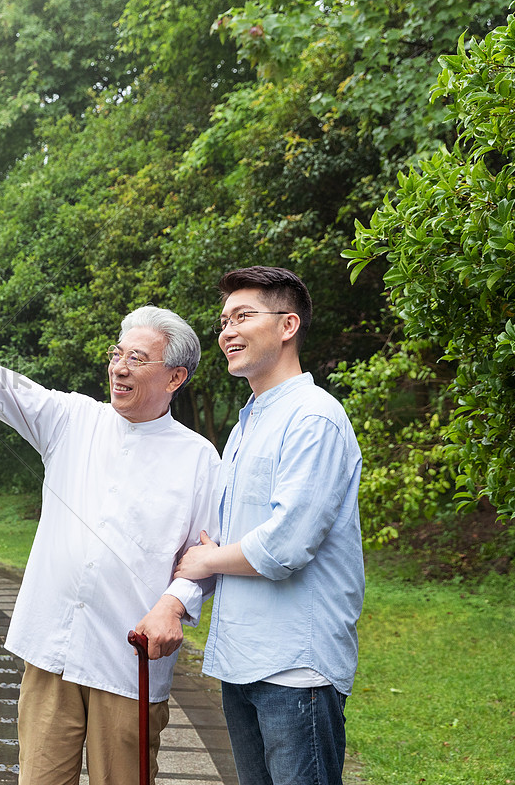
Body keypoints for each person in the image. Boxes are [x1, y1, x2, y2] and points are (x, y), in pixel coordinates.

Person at [0, 300, 220, 785]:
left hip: (128, 665)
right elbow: (7, 390)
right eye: (117, 353)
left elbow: (205, 559)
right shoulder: (74, 419)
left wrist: (174, 604)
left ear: (175, 378)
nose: (119, 367)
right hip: (52, 651)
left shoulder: (199, 459)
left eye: (137, 359)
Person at [174, 266, 365, 785]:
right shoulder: (245, 424)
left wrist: (207, 559)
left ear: (287, 326)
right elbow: (231, 531)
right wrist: (216, 550)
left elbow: (286, 545)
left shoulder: (314, 418)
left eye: (243, 316)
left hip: (295, 666)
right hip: (242, 660)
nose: (227, 331)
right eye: (223, 320)